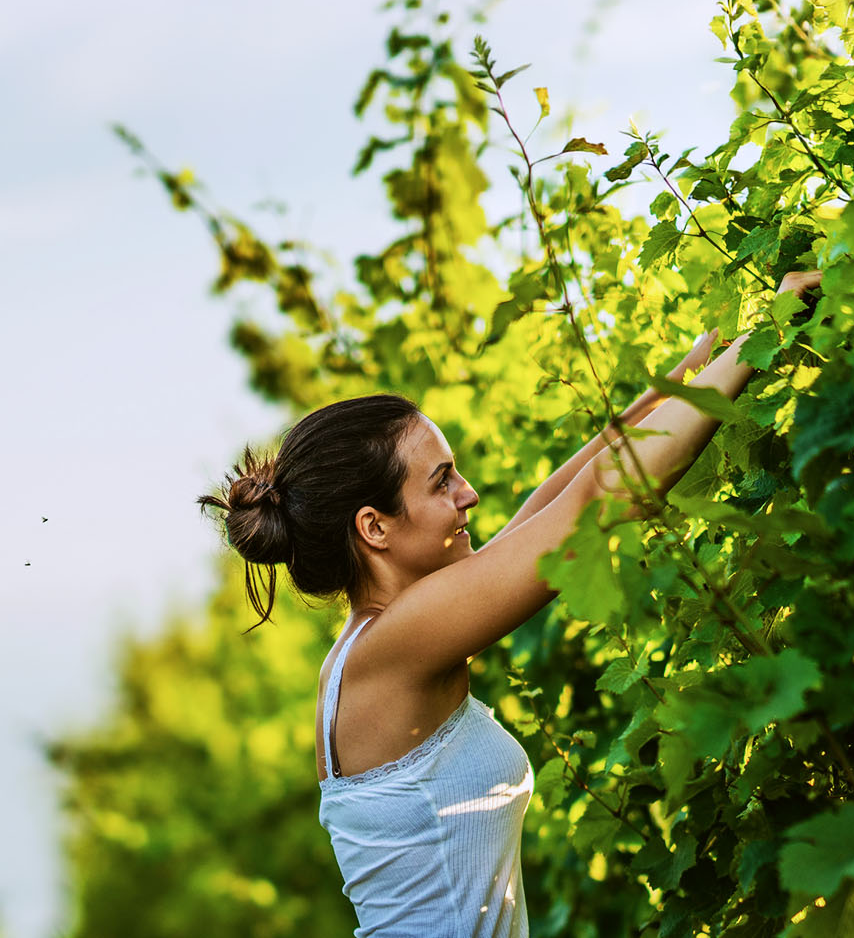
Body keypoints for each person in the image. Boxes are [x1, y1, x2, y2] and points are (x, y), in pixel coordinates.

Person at [198, 271, 822, 937]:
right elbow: (596, 505)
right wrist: (761, 338)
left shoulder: (382, 639)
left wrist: (693, 367)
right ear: (374, 527)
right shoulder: (394, 646)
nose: (468, 495)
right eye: (442, 481)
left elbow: (546, 511)